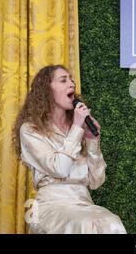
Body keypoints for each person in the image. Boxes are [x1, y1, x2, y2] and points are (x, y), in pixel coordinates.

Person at [13, 65, 126, 234]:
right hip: (51, 206)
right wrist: (76, 128)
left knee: (111, 222)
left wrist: (92, 141)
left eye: (72, 79)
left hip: (83, 202)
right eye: (63, 80)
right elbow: (59, 168)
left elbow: (96, 181)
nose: (72, 84)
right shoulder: (30, 129)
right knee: (86, 225)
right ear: (46, 90)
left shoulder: (78, 129)